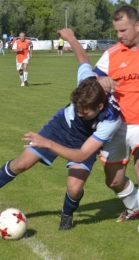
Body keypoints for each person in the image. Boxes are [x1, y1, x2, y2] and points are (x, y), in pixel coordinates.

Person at [0, 28, 122, 230]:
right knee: (21, 164)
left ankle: (67, 214)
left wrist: (47, 144)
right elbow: (83, 59)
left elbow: (81, 155)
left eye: (84, 112)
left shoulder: (111, 119)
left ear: (99, 107)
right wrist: (70, 37)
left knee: (75, 188)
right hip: (59, 127)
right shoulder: (87, 83)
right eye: (77, 108)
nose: (79, 114)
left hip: (85, 142)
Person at [93, 6, 139, 222]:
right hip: (116, 124)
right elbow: (90, 80)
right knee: (113, 181)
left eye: (123, 30)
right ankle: (134, 206)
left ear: (137, 26)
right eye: (117, 31)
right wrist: (98, 80)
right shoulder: (112, 54)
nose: (119, 36)